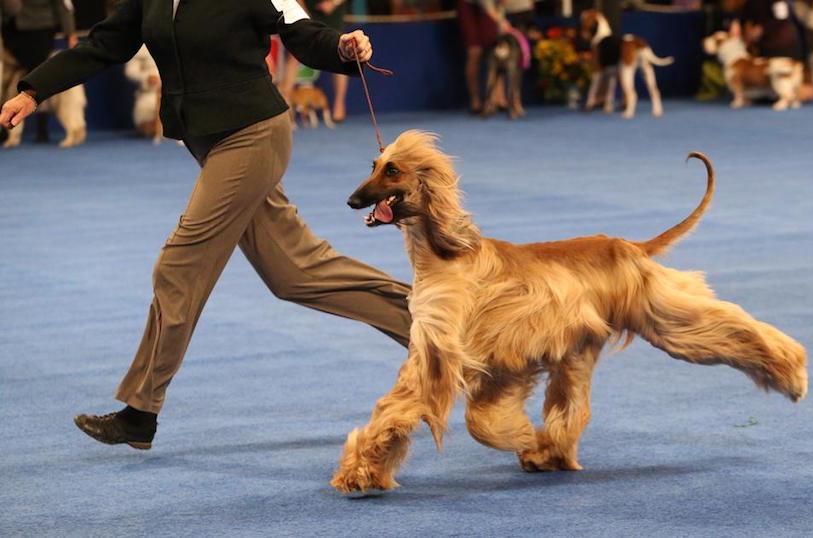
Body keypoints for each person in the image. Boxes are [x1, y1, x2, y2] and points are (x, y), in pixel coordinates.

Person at [0, 0, 412, 450]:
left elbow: (301, 31)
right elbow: (103, 44)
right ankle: (433, 324)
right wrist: (33, 91)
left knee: (178, 267)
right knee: (295, 271)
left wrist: (343, 48)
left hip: (254, 134)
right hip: (209, 142)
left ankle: (140, 412)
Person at [1, 0, 76, 142]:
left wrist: (70, 33)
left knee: (37, 78)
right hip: (10, 32)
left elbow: (64, 5)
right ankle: (8, 131)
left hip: (39, 31)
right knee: (9, 82)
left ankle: (42, 127)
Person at [457, 0, 510, 113]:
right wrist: (500, 20)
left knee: (494, 49)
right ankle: (475, 99)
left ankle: (499, 97)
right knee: (474, 51)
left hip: (491, 4)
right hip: (468, 5)